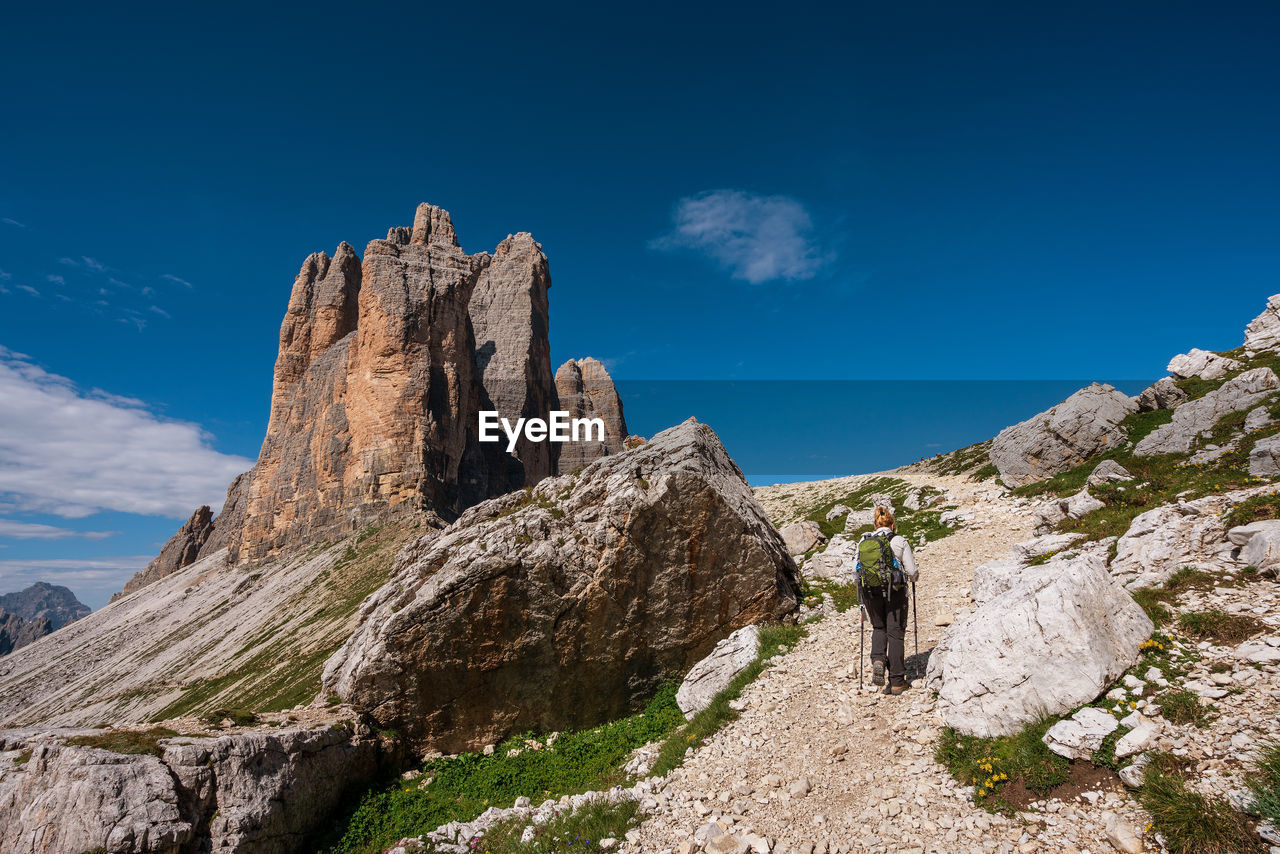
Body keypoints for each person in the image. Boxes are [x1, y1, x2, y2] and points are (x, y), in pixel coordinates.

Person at [860, 507, 919, 695]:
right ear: (893, 525)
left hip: (870, 591)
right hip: (896, 592)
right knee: (895, 633)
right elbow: (912, 571)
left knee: (879, 628)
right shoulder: (899, 540)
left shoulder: (864, 541)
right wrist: (913, 579)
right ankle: (896, 681)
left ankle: (878, 660)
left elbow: (856, 569)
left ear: (874, 525)